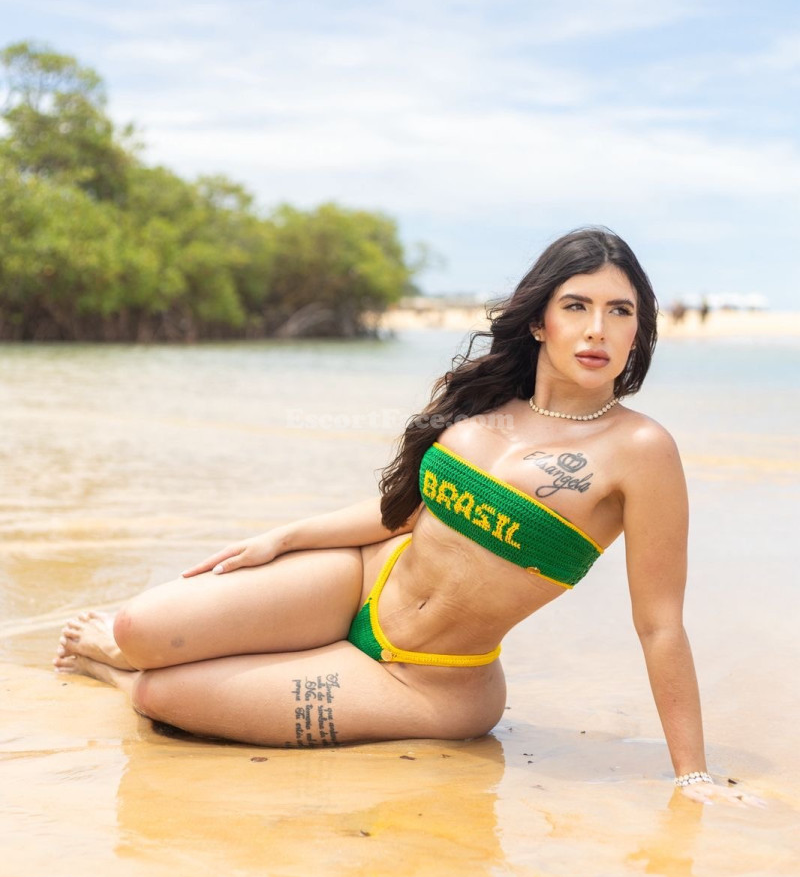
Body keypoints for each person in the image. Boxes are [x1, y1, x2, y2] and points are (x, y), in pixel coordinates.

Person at [54, 227, 759, 807]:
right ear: (539, 320)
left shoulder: (640, 450)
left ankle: (121, 676)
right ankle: (132, 652)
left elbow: (660, 624)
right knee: (139, 628)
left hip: (429, 679)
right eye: (576, 305)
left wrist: (691, 774)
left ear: (639, 330)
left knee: (158, 693)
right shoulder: (484, 405)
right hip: (357, 580)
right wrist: (284, 537)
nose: (597, 329)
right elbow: (409, 513)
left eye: (620, 311)